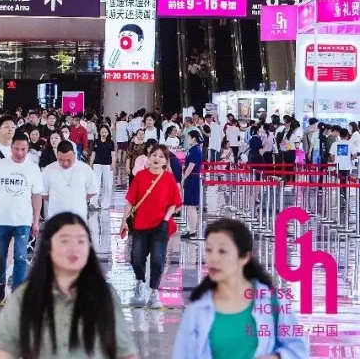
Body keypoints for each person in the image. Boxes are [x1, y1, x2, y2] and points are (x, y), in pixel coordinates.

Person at [0, 212, 137, 359]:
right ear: (48, 247)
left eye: (81, 241)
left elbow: (124, 352)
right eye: (65, 241)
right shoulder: (26, 296)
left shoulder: (103, 295)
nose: (74, 248)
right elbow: (3, 349)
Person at [171, 218, 306, 359]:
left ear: (245, 257)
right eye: (209, 250)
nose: (213, 258)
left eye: (222, 251)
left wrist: (277, 357)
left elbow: (298, 349)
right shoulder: (196, 311)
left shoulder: (272, 302)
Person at [0, 131, 43, 303]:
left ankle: (17, 294)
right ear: (11, 148)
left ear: (28, 149)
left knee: (20, 257)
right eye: (16, 149)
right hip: (1, 220)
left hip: (23, 220)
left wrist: (36, 221)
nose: (20, 153)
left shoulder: (33, 169)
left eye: (24, 149)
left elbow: (37, 196)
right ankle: (1, 282)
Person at [121, 145, 181, 309]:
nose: (156, 159)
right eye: (154, 155)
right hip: (140, 225)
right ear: (148, 157)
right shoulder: (140, 176)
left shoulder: (168, 178)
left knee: (158, 259)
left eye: (161, 156)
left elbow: (174, 203)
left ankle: (154, 293)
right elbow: (130, 201)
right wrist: (124, 220)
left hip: (160, 225)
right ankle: (140, 283)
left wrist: (165, 220)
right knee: (137, 257)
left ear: (165, 161)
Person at [40, 140, 97, 221]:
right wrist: (57, 199)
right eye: (61, 160)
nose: (65, 163)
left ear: (74, 154)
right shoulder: (49, 169)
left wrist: (78, 198)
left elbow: (93, 190)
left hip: (78, 217)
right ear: (57, 155)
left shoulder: (85, 169)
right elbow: (42, 192)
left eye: (69, 160)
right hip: (55, 217)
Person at [181, 130, 204, 239]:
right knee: (191, 206)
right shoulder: (193, 150)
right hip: (192, 178)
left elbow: (191, 167)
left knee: (191, 206)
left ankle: (193, 230)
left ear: (193, 138)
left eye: (189, 137)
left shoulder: (195, 151)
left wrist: (184, 178)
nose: (187, 139)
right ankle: (192, 229)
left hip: (192, 178)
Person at [89, 125, 117, 211]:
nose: (103, 134)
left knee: (107, 184)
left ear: (108, 133)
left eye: (105, 132)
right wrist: (90, 164)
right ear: (99, 133)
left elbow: (113, 154)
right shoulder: (96, 142)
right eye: (102, 132)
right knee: (95, 183)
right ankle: (93, 203)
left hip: (107, 165)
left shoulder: (111, 142)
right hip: (97, 164)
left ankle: (105, 204)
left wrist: (113, 163)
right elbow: (93, 153)